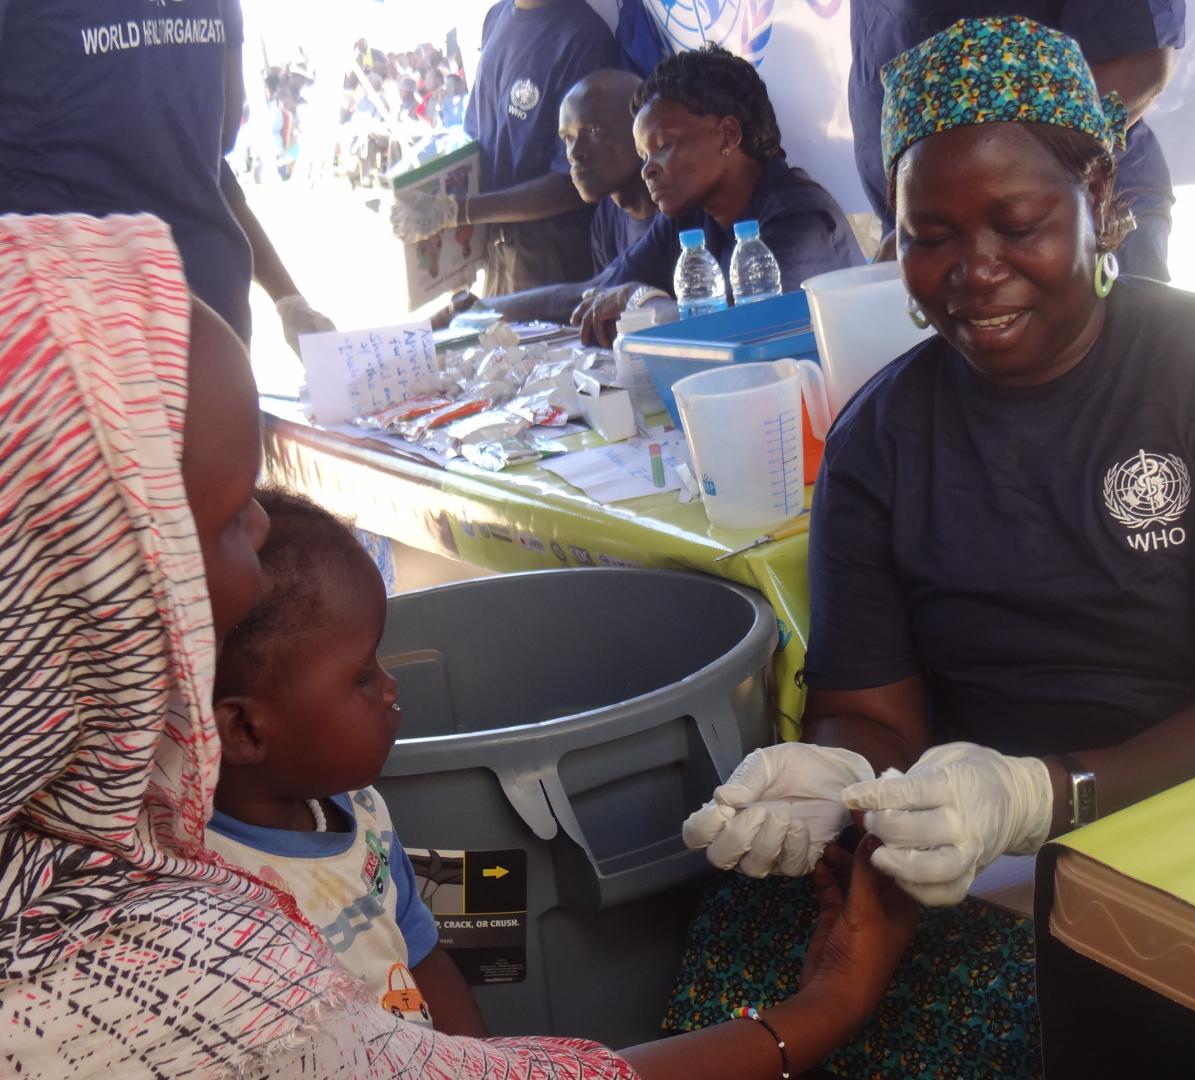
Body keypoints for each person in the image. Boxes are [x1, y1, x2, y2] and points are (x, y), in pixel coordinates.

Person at [0, 211, 917, 1078]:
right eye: (229, 520)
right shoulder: (157, 983)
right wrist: (827, 1005)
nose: (262, 538)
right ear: (77, 590)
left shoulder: (105, 821)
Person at [675, 16, 1195, 1077]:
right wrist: (834, 775)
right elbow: (875, 712)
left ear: (1099, 202)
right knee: (740, 951)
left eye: (1017, 222)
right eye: (932, 235)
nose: (976, 270)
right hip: (980, 847)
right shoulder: (881, 440)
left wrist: (1045, 795)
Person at [206, 487, 488, 1039]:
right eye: (361, 675)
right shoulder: (210, 883)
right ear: (243, 730)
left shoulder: (359, 812)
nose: (389, 686)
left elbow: (420, 953)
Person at [0, 0, 333, 352]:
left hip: (72, 327)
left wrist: (288, 297)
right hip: (209, 321)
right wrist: (287, 297)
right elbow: (211, 147)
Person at [848, 0, 1185, 281]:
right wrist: (919, 221)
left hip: (1061, 222)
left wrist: (961, 200)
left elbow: (1142, 59)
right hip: (931, 223)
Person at [572, 44, 866, 347]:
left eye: (663, 146)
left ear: (728, 135)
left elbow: (751, 331)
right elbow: (609, 292)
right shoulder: (688, 216)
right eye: (643, 155)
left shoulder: (802, 216)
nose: (647, 170)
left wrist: (641, 303)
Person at [390, 0, 620, 296]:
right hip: (492, 246)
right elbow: (477, 137)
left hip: (550, 259)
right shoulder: (496, 17)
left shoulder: (583, 37)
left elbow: (573, 184)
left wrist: (458, 212)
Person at [471, 68, 656, 325]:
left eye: (594, 131)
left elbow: (594, 292)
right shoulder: (607, 215)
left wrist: (472, 312)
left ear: (640, 129)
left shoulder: (671, 212)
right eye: (567, 138)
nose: (574, 153)